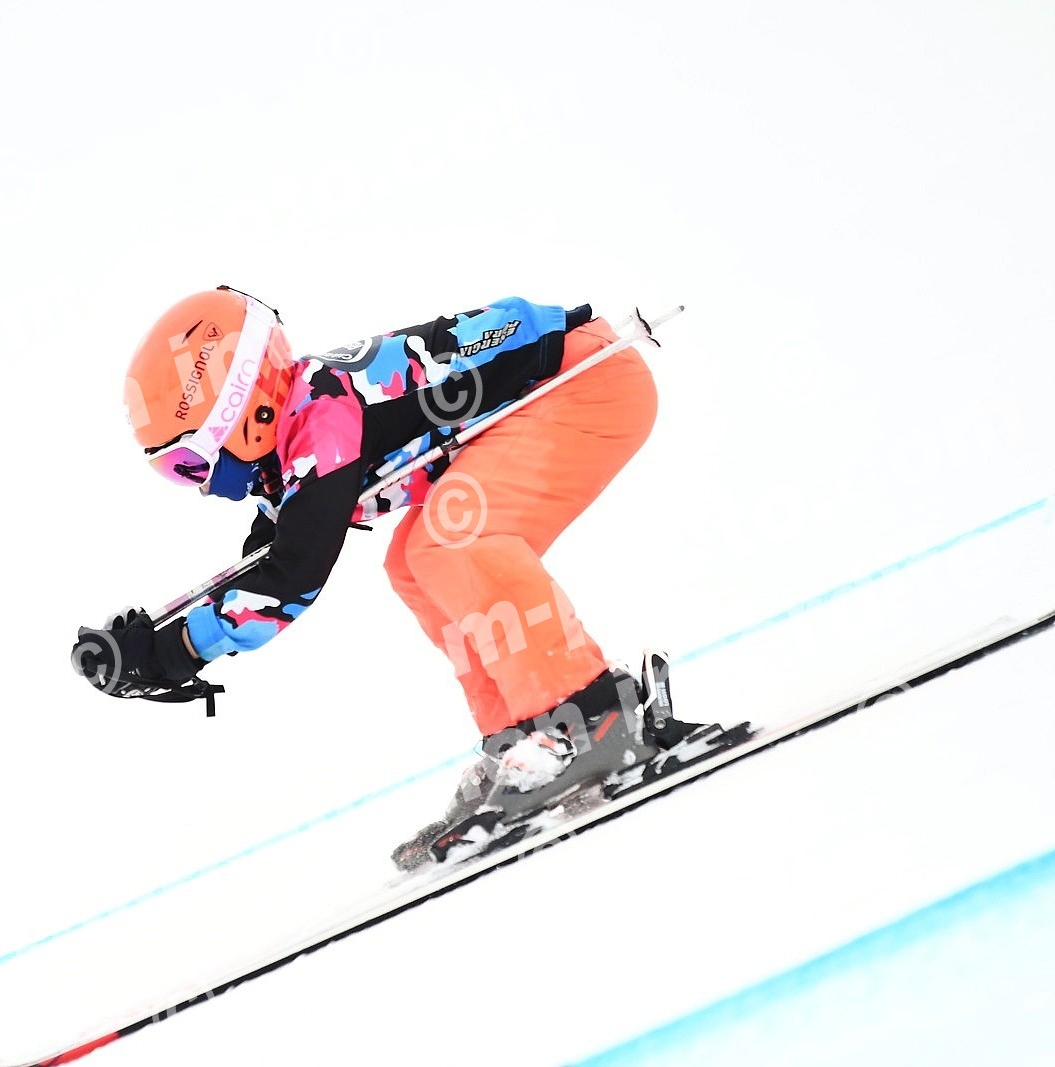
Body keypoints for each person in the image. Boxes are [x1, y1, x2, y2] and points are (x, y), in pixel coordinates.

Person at [84, 285, 683, 869]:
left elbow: (293, 578)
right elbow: (272, 557)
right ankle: (521, 736)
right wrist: (160, 641)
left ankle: (589, 718)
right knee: (415, 563)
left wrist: (175, 652)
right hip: (565, 388)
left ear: (245, 414)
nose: (201, 484)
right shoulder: (301, 422)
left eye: (190, 463)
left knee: (451, 539)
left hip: (589, 383)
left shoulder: (323, 421)